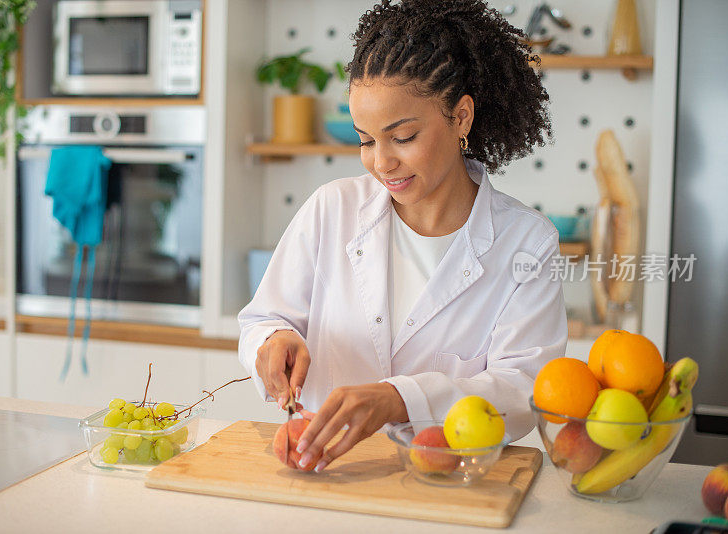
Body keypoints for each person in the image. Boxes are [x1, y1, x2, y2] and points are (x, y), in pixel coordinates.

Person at [238, 0, 567, 473]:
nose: (381, 163)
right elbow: (262, 318)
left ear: (461, 118)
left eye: (403, 137)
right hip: (329, 481)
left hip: (449, 490)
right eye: (366, 140)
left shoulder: (527, 243)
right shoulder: (332, 209)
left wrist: (400, 399)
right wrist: (273, 341)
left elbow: (523, 390)